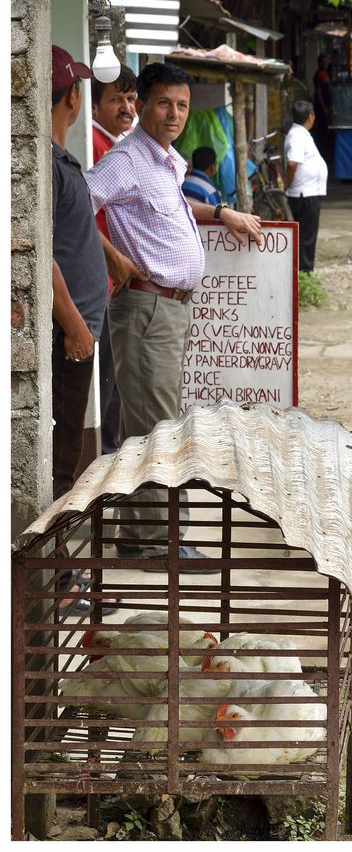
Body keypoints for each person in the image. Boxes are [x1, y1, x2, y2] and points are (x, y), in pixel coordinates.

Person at [85, 62, 262, 561]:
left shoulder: (164, 161)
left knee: (148, 426)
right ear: (142, 105)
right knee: (159, 427)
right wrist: (113, 256)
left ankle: (138, 538)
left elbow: (173, 205)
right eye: (164, 103)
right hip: (145, 307)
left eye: (182, 105)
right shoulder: (127, 160)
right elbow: (75, 200)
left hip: (168, 311)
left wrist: (222, 212)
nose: (175, 113)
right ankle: (167, 540)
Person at [51, 46, 142, 613]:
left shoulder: (60, 162)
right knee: (62, 458)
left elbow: (72, 234)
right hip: (71, 335)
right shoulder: (42, 162)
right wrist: (74, 325)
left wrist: (108, 257)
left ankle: (62, 577)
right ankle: (58, 584)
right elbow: (38, 255)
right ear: (72, 98)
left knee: (72, 450)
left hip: (85, 322)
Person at [90, 64, 138, 455]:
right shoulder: (94, 146)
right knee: (108, 383)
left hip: (115, 283)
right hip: (103, 281)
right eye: (115, 99)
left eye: (130, 98)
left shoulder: (118, 145)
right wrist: (115, 259)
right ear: (91, 106)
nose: (126, 107)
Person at [284, 100, 328, 273]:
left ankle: (303, 272)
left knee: (307, 236)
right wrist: (288, 184)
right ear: (310, 117)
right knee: (306, 238)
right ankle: (304, 274)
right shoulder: (296, 135)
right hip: (304, 194)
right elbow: (293, 163)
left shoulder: (301, 133)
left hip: (309, 192)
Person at [312, 53, 332, 160]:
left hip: (327, 106)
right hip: (321, 108)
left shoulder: (326, 73)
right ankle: (322, 152)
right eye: (323, 61)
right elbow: (318, 92)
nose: (326, 63)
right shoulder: (318, 75)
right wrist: (323, 107)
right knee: (322, 130)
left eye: (327, 61)